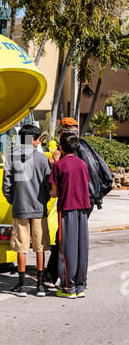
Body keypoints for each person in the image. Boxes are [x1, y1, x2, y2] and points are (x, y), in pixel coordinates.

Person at [44, 116, 113, 287]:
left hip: (74, 199)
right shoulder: (84, 145)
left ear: (64, 132)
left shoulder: (72, 148)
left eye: (60, 131)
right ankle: (76, 278)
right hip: (87, 199)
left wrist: (54, 162)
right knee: (76, 239)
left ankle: (58, 279)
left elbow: (63, 175)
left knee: (64, 239)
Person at [2, 124, 51, 297]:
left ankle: (22, 285)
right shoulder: (43, 159)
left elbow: (6, 185)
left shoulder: (11, 157)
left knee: (21, 247)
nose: (38, 143)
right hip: (39, 208)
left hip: (20, 208)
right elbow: (48, 184)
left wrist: (14, 200)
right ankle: (39, 285)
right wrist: (45, 199)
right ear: (32, 139)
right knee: (40, 247)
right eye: (37, 140)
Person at [49, 132, 91, 298]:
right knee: (81, 247)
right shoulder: (82, 164)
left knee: (66, 248)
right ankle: (80, 285)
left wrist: (54, 162)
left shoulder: (59, 166)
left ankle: (68, 287)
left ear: (61, 147)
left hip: (67, 208)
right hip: (83, 208)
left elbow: (54, 192)